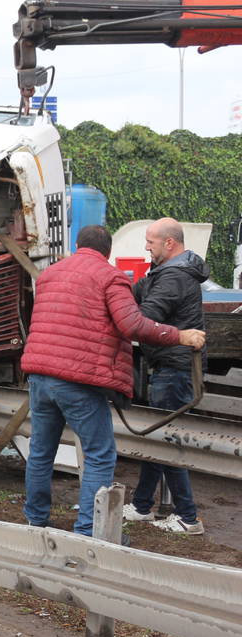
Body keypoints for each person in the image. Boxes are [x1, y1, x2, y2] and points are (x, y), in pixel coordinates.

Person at [20, 225, 206, 536]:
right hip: (79, 378)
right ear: (108, 252)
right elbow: (132, 324)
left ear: (78, 245)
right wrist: (180, 335)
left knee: (40, 451)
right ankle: (90, 532)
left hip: (40, 374)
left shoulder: (50, 274)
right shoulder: (111, 277)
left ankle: (35, 521)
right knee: (100, 455)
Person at [123, 218, 207, 534]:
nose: (146, 247)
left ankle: (187, 517)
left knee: (167, 443)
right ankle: (144, 506)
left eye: (151, 242)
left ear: (169, 243)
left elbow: (145, 318)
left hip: (174, 370)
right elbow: (137, 292)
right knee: (156, 438)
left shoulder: (172, 277)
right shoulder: (168, 273)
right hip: (173, 368)